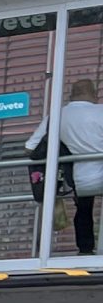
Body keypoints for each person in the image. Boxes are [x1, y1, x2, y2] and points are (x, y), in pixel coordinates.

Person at [27, 78, 103, 256]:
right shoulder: (100, 111)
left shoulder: (56, 116)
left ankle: (85, 250)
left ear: (72, 95)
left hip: (79, 180)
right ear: (93, 93)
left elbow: (29, 148)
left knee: (84, 208)